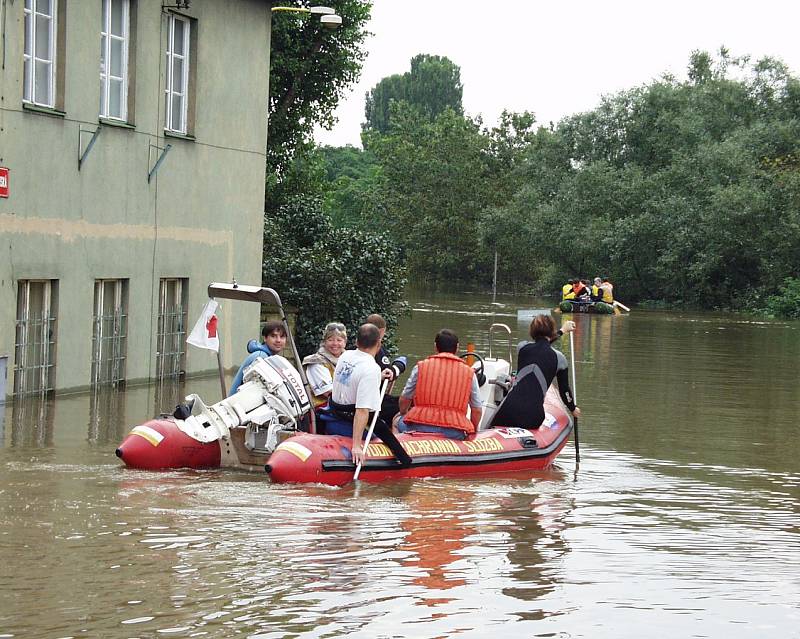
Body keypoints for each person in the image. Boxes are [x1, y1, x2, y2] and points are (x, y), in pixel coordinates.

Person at [327, 323, 412, 467]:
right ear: (379, 344)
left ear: (356, 342)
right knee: (390, 439)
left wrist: (379, 376)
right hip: (349, 418)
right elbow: (362, 410)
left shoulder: (345, 355)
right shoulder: (371, 368)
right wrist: (356, 446)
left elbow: (353, 380)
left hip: (335, 413)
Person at [490, 315, 580, 430]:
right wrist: (573, 409)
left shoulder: (522, 348)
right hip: (533, 416)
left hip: (508, 411)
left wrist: (562, 331)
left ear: (532, 331)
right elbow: (564, 391)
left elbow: (541, 346)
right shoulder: (560, 359)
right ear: (552, 332)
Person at [394, 329, 482, 440]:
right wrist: (473, 431)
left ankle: (397, 450)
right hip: (454, 431)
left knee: (396, 421)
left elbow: (405, 398)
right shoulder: (469, 373)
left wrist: (403, 413)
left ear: (435, 346)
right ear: (457, 347)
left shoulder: (420, 367)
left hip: (419, 426)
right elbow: (477, 409)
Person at [228, 320, 287, 395]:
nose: (278, 340)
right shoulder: (260, 357)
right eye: (273, 336)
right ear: (265, 338)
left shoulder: (270, 357)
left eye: (282, 337)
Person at [302, 322, 347, 408]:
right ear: (324, 342)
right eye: (330, 340)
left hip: (344, 408)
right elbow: (328, 393)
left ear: (344, 342)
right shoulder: (316, 362)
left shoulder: (349, 360)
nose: (335, 344)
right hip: (324, 411)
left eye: (339, 340)